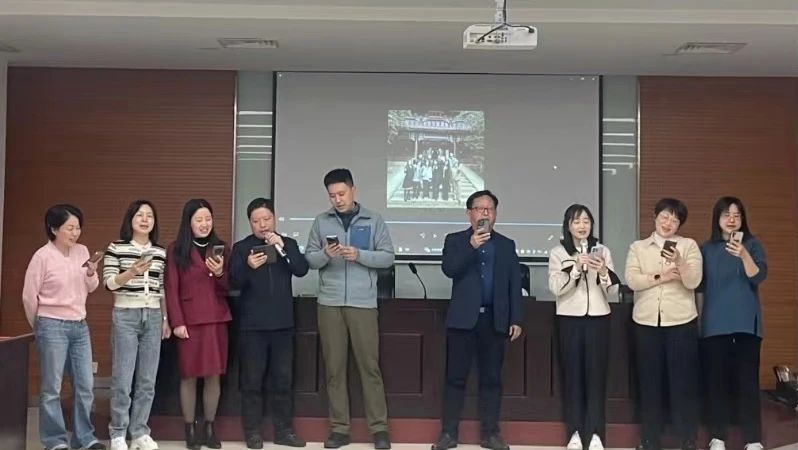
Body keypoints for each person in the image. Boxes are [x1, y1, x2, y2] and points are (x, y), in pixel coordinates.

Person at [305, 168, 395, 450]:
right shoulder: (321, 221)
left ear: (353, 190)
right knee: (334, 368)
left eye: (342, 193)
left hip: (363, 303)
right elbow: (309, 260)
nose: (338, 199)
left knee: (369, 367)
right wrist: (325, 254)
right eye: (332, 195)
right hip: (329, 303)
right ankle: (339, 428)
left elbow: (387, 257)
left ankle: (379, 429)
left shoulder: (373, 220)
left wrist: (359, 255)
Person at [432, 190, 523, 450]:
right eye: (479, 209)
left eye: (489, 209)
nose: (485, 213)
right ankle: (448, 434)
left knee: (491, 380)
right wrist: (471, 246)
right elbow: (450, 269)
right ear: (469, 213)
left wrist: (516, 317)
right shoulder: (455, 240)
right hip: (462, 321)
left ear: (495, 214)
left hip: (494, 320)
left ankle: (491, 434)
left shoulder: (506, 245)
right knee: (455, 379)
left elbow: (514, 283)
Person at [22, 204, 106, 450]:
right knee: (52, 388)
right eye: (70, 228)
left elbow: (91, 287)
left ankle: (85, 438)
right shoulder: (42, 256)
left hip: (79, 325)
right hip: (51, 325)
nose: (75, 233)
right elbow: (29, 296)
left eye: (78, 227)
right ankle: (55, 441)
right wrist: (39, 326)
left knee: (85, 385)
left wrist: (91, 273)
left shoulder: (82, 251)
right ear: (54, 229)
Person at [230, 198, 310, 450]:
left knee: (283, 381)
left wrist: (282, 247)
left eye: (266, 219)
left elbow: (301, 269)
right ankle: (252, 432)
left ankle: (284, 431)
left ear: (274, 218)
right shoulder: (241, 248)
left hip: (283, 325)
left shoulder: (288, 243)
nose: (262, 225)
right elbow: (233, 282)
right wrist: (248, 267)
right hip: (252, 327)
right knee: (252, 382)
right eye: (256, 221)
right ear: (250, 223)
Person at [625, 198, 703, 450]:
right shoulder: (638, 247)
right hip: (646, 322)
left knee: (683, 382)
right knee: (649, 382)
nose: (668, 223)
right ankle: (649, 438)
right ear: (655, 217)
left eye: (675, 220)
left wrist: (679, 261)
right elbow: (632, 280)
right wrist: (663, 276)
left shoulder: (689, 246)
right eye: (665, 217)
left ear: (679, 225)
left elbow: (693, 281)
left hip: (681, 322)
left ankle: (687, 438)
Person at [548, 204, 620, 450]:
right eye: (577, 221)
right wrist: (576, 267)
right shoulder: (559, 252)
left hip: (599, 319)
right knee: (573, 377)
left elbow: (613, 291)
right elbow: (556, 288)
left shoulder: (602, 250)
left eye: (586, 221)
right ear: (568, 226)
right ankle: (575, 432)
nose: (582, 226)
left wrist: (603, 271)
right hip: (569, 319)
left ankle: (596, 433)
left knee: (596, 377)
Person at [700, 197, 767, 450]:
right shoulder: (706, 249)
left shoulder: (752, 244)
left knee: (748, 382)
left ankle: (753, 439)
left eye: (737, 215)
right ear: (717, 219)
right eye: (726, 215)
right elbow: (699, 287)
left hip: (747, 325)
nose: (731, 219)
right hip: (715, 325)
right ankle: (717, 437)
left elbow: (758, 276)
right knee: (716, 383)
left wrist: (743, 254)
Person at [103, 200, 170, 450]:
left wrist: (165, 319)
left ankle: (140, 431)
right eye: (140, 215)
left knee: (147, 380)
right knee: (122, 379)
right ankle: (118, 432)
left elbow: (161, 288)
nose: (144, 219)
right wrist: (131, 272)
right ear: (130, 219)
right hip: (126, 315)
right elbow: (109, 283)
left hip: (153, 315)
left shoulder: (160, 252)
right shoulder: (116, 248)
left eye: (149, 216)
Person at [165, 199, 230, 450]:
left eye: (208, 219)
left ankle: (209, 428)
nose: (204, 224)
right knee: (189, 376)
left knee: (214, 376)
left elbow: (229, 287)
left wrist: (221, 272)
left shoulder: (221, 248)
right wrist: (177, 322)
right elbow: (171, 288)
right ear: (189, 222)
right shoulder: (176, 250)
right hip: (189, 322)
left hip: (216, 319)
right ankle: (189, 429)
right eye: (199, 220)